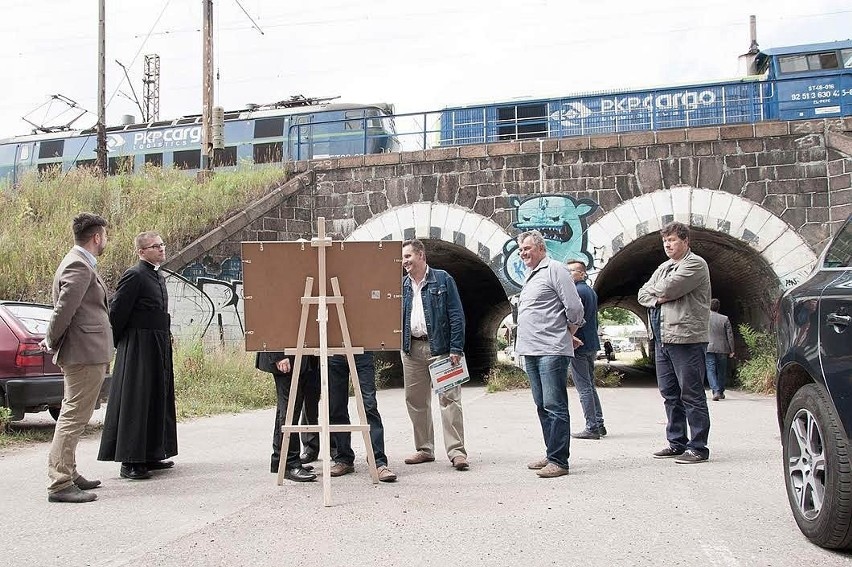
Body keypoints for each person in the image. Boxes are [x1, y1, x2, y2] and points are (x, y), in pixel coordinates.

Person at [42, 212, 112, 503]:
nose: (106, 240)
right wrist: (51, 339)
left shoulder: (79, 262)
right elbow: (63, 310)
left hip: (85, 350)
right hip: (83, 352)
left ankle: (68, 471)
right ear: (97, 237)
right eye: (105, 235)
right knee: (73, 417)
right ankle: (60, 481)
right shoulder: (78, 265)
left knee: (75, 414)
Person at [97, 232, 178, 480]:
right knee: (137, 398)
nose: (162, 249)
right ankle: (130, 460)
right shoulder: (134, 275)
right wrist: (121, 342)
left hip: (157, 341)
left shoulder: (156, 275)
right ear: (141, 252)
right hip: (139, 344)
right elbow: (118, 311)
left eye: (163, 244)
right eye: (156, 246)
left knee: (156, 396)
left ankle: (152, 452)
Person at [638, 221, 712, 464]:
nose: (668, 245)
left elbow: (670, 288)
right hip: (662, 339)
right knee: (670, 393)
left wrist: (657, 295)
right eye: (665, 241)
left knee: (691, 393)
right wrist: (658, 296)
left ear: (685, 241)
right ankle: (676, 442)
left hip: (686, 338)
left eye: (672, 240)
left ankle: (698, 447)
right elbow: (642, 294)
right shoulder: (664, 267)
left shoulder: (695, 264)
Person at [515, 231, 585, 478]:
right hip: (531, 349)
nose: (523, 253)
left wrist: (568, 332)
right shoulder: (531, 276)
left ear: (541, 249)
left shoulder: (556, 269)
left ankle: (559, 460)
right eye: (521, 249)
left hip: (550, 349)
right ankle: (551, 452)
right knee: (542, 405)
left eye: (527, 248)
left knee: (555, 405)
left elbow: (575, 308)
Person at [400, 239, 469, 471]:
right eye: (403, 257)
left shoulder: (442, 279)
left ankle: (457, 452)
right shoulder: (402, 286)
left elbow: (457, 315)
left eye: (408, 256)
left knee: (449, 400)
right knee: (416, 401)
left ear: (421, 255)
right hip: (412, 350)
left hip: (441, 349)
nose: (404, 261)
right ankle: (424, 449)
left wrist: (456, 348)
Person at [327, 353, 398, 482]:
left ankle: (378, 462)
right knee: (336, 407)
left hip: (362, 353)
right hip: (334, 353)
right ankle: (343, 459)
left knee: (369, 405)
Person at [255, 352, 319, 482]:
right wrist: (279, 356)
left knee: (287, 409)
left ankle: (280, 460)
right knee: (290, 409)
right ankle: (290, 464)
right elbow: (274, 331)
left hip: (297, 357)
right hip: (284, 355)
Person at [566, 261, 606, 440]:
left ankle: (591, 427)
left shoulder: (576, 292)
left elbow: (574, 317)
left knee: (583, 387)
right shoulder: (590, 291)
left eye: (572, 271)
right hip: (591, 343)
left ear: (582, 273)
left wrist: (568, 335)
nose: (568, 274)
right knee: (590, 385)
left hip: (579, 343)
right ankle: (599, 423)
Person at [706, 298, 735, 401]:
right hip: (722, 348)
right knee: (722, 371)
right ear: (718, 308)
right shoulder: (725, 318)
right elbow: (730, 335)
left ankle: (715, 391)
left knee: (710, 370)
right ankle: (721, 391)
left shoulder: (705, 318)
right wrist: (732, 350)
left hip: (708, 347)